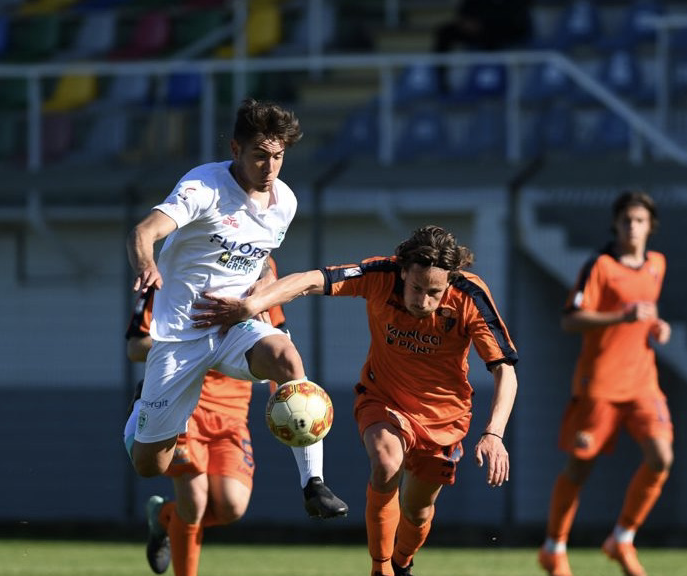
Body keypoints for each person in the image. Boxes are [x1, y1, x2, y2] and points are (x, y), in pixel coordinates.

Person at [190, 224, 520, 576]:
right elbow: (309, 280)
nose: (423, 301)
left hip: (445, 417)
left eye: (434, 293)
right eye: (416, 288)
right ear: (403, 270)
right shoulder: (380, 275)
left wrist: (494, 433)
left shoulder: (470, 296)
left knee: (418, 510)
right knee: (386, 461)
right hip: (383, 398)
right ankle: (380, 568)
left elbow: (505, 371)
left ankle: (402, 562)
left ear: (449, 283)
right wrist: (252, 305)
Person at [124, 98, 316, 479]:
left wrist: (263, 282)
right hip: (182, 334)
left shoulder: (285, 201)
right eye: (260, 156)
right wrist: (147, 264)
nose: (270, 167)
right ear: (235, 148)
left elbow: (259, 255)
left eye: (278, 157)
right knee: (150, 466)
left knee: (287, 357)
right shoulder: (203, 186)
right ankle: (140, 416)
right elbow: (143, 232)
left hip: (233, 327)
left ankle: (314, 482)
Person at [126, 257, 348, 576]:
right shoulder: (175, 272)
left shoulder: (257, 275)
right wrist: (192, 340)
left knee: (232, 507)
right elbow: (135, 347)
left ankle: (164, 516)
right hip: (187, 401)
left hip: (232, 410)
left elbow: (277, 340)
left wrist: (285, 398)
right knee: (195, 500)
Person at [537, 191, 673, 576]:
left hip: (643, 382)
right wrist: (621, 317)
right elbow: (570, 319)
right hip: (598, 384)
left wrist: (657, 328)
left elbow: (646, 313)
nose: (633, 227)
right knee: (580, 467)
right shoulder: (599, 266)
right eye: (626, 220)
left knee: (661, 458)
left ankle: (622, 539)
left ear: (651, 226)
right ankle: (554, 547)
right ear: (615, 224)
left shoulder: (657, 265)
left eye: (640, 220)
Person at [432, 0, 533, 91]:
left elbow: (519, 17)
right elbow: (464, 12)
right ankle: (441, 76)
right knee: (445, 32)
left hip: (505, 31)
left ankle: (493, 71)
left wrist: (483, 23)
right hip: (476, 31)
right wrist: (468, 23)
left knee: (494, 32)